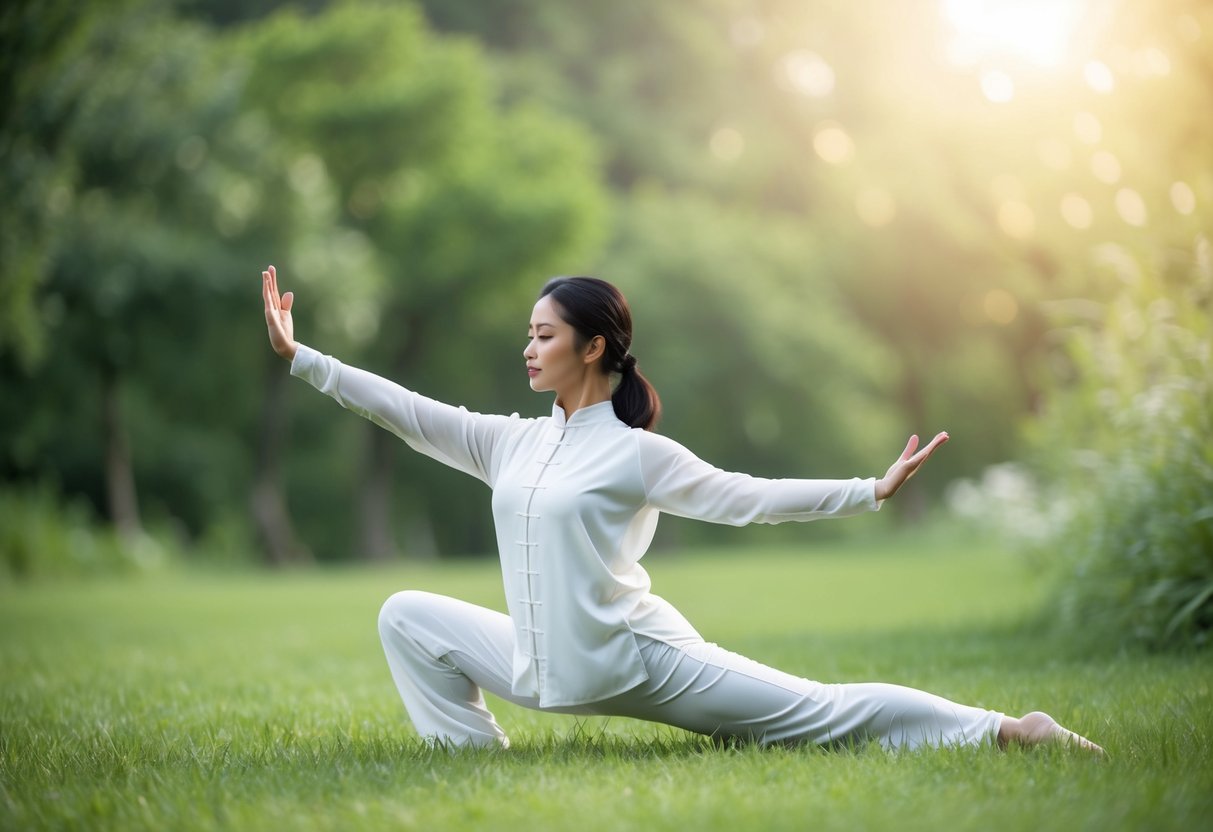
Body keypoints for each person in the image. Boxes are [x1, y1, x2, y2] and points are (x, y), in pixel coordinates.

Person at [261, 265, 1103, 754]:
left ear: (593, 347)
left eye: (545, 335)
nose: (528, 347)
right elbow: (403, 410)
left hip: (638, 660)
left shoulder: (635, 453)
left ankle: (1011, 731)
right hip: (537, 665)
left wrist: (867, 491)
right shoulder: (505, 442)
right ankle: (474, 765)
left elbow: (747, 499)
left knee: (819, 712)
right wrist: (304, 357)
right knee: (406, 615)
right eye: (528, 333)